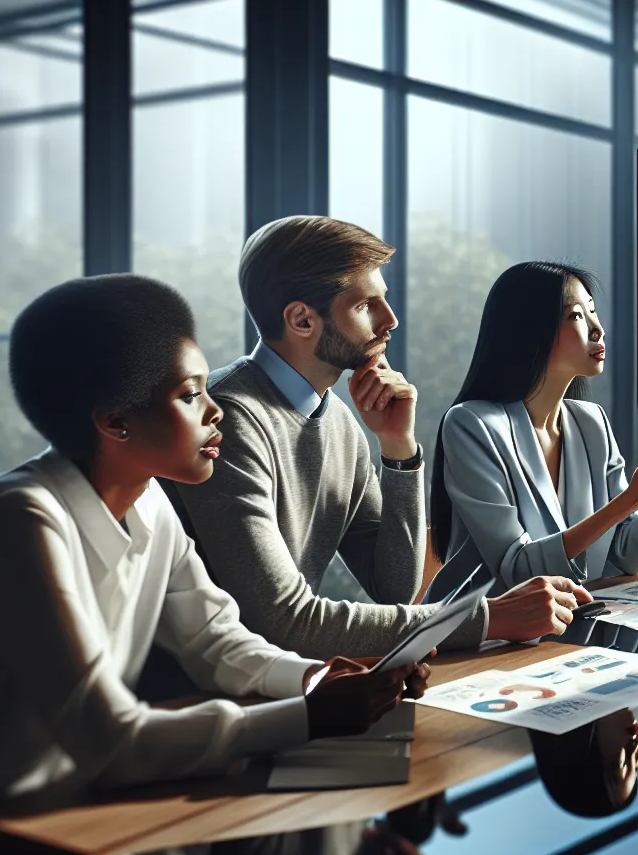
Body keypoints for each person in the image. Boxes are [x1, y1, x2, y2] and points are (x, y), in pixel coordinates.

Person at [0, 276, 420, 855]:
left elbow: (219, 641)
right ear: (115, 422)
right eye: (191, 396)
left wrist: (314, 679)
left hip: (58, 809)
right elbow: (108, 738)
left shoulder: (151, 502)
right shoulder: (21, 519)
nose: (216, 410)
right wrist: (306, 717)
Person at [168, 216, 586, 659]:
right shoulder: (228, 420)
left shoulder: (340, 425)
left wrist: (398, 450)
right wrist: (490, 618)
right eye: (367, 305)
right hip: (195, 699)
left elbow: (395, 589)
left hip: (271, 683)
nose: (391, 320)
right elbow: (282, 621)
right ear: (302, 320)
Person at [430, 261, 638, 600]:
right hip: (480, 640)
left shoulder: (590, 422)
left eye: (593, 312)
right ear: (529, 329)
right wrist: (629, 501)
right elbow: (518, 571)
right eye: (577, 316)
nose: (598, 329)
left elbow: (623, 552)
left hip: (565, 629)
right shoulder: (471, 425)